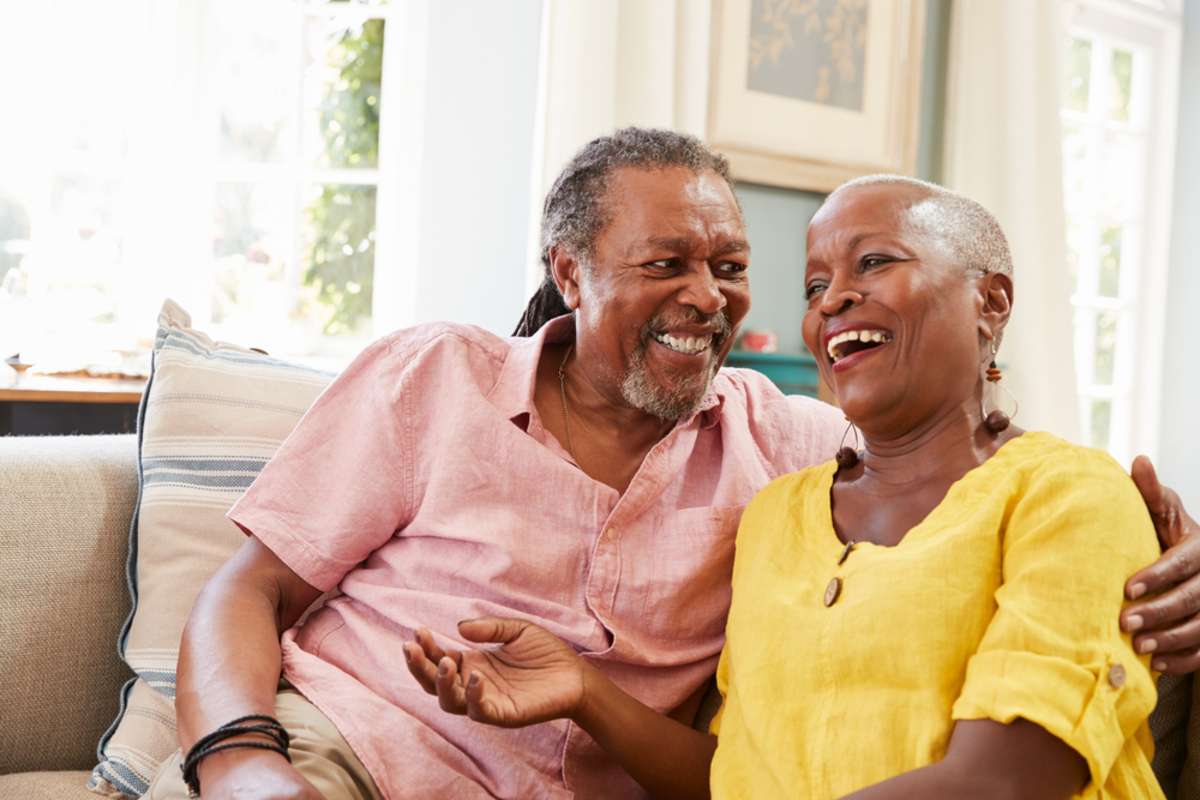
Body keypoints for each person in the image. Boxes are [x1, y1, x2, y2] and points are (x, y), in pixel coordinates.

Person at [157, 130, 1199, 800]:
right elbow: (247, 587)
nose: (709, 295)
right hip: (347, 748)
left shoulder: (788, 450)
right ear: (570, 272)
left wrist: (1160, 539)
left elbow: (967, 464)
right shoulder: (438, 376)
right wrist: (247, 761)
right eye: (667, 264)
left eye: (733, 268)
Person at [403, 175, 1170, 798]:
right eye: (813, 285)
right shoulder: (778, 513)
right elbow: (732, 777)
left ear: (990, 301)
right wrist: (583, 689)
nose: (832, 299)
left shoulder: (1070, 496)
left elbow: (1005, 782)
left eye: (874, 263)